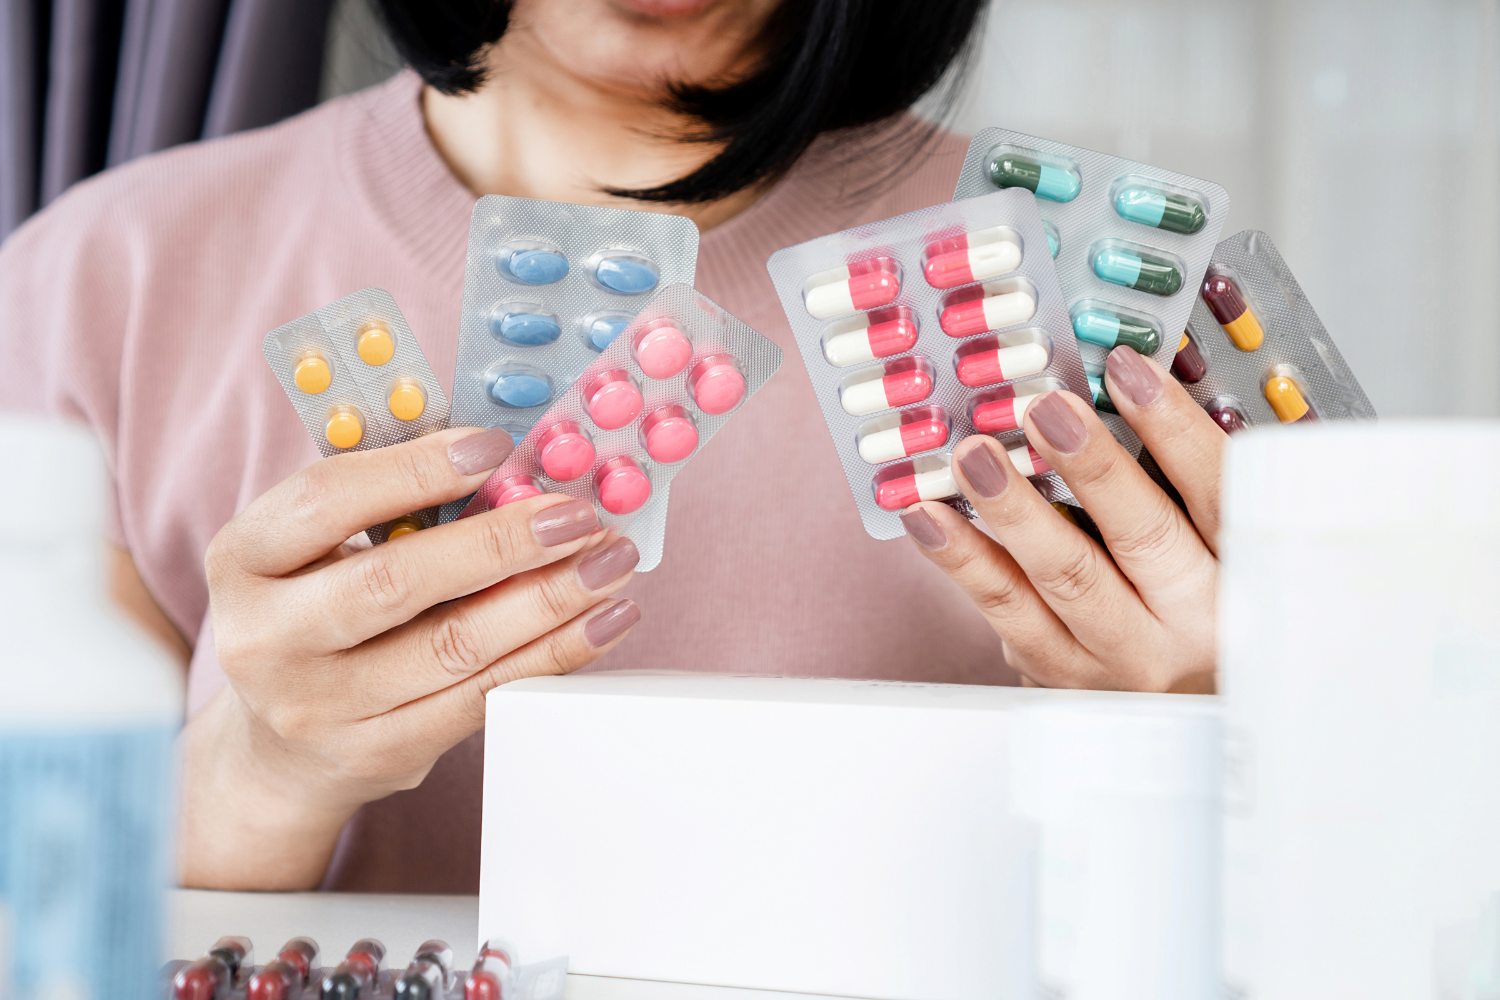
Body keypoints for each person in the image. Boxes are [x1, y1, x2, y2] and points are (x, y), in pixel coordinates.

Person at [0, 0, 1217, 893]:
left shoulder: (1120, 324)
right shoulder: (98, 283)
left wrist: (1216, 754)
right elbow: (36, 921)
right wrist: (255, 777)